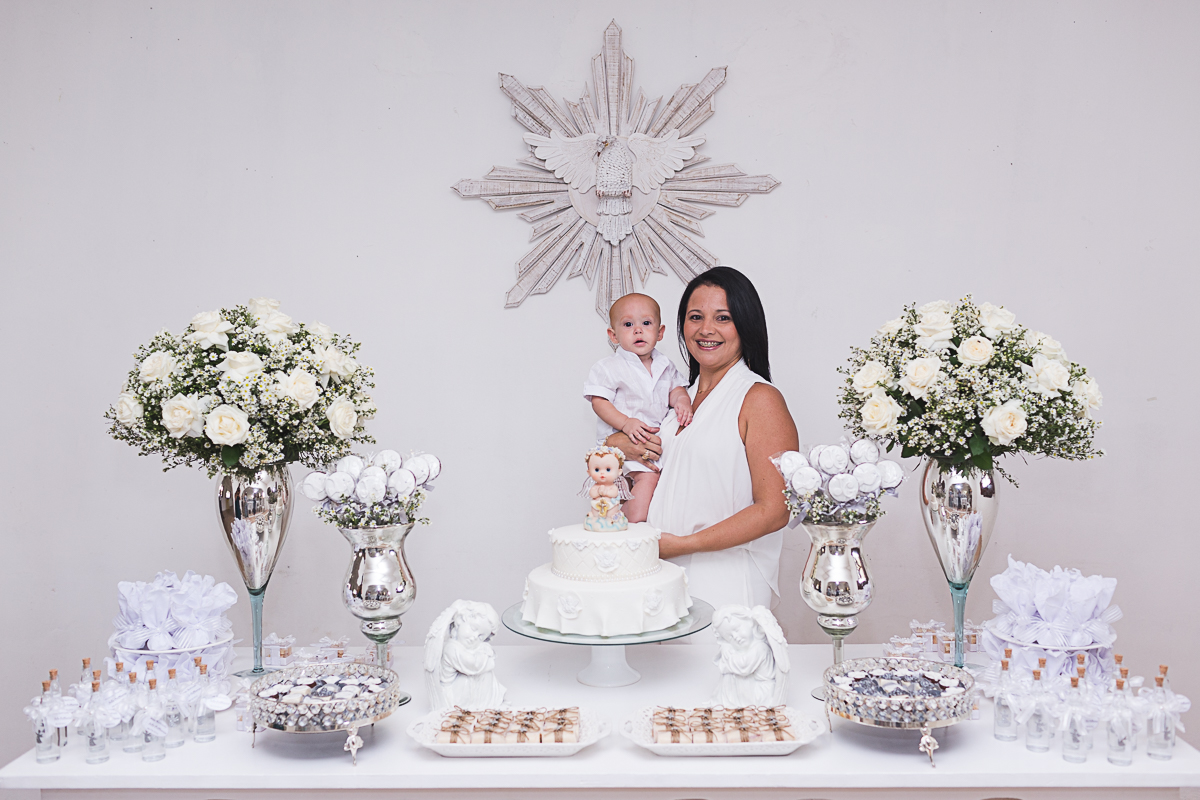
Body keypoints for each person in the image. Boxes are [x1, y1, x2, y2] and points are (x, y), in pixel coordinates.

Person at [606, 267, 799, 610]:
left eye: (723, 317)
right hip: (660, 578)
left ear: (745, 324)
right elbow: (631, 460)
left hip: (724, 584)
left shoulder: (758, 399)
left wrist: (682, 544)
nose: (706, 329)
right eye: (696, 317)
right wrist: (616, 445)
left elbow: (774, 511)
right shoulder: (672, 400)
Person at [584, 293, 694, 523]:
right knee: (647, 478)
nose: (638, 330)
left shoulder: (666, 365)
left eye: (646, 323)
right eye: (628, 324)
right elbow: (599, 401)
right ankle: (633, 526)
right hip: (620, 441)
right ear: (613, 335)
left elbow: (675, 389)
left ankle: (621, 518)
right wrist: (625, 423)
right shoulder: (609, 367)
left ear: (660, 332)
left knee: (655, 483)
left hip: (651, 443)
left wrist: (682, 400)